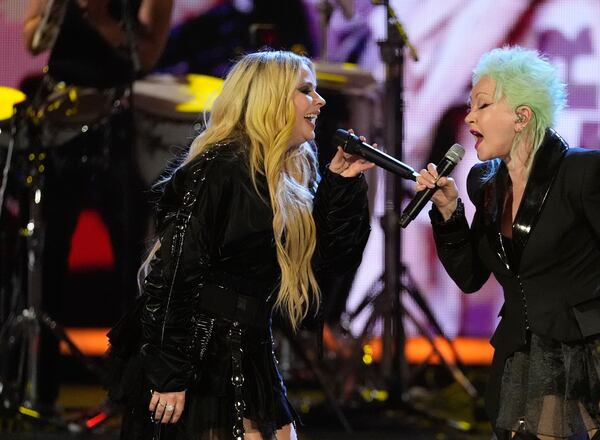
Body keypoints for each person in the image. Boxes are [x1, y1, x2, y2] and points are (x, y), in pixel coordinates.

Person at [415, 47, 600, 440]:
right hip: (531, 356)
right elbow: (472, 277)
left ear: (522, 117)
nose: (469, 116)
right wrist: (449, 214)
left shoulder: (585, 172)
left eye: (483, 105)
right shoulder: (485, 185)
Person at [106, 50, 373, 440]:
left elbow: (328, 264)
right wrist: (170, 372)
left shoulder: (287, 175)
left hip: (251, 348)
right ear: (271, 98)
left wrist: (341, 186)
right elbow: (175, 271)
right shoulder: (221, 166)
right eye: (306, 91)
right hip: (199, 355)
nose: (320, 101)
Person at [21, 0, 173, 410]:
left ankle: (128, 391)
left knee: (129, 266)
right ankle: (41, 390)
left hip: (115, 124)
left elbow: (148, 55)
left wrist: (98, 18)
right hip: (58, 124)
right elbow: (33, 40)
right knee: (48, 258)